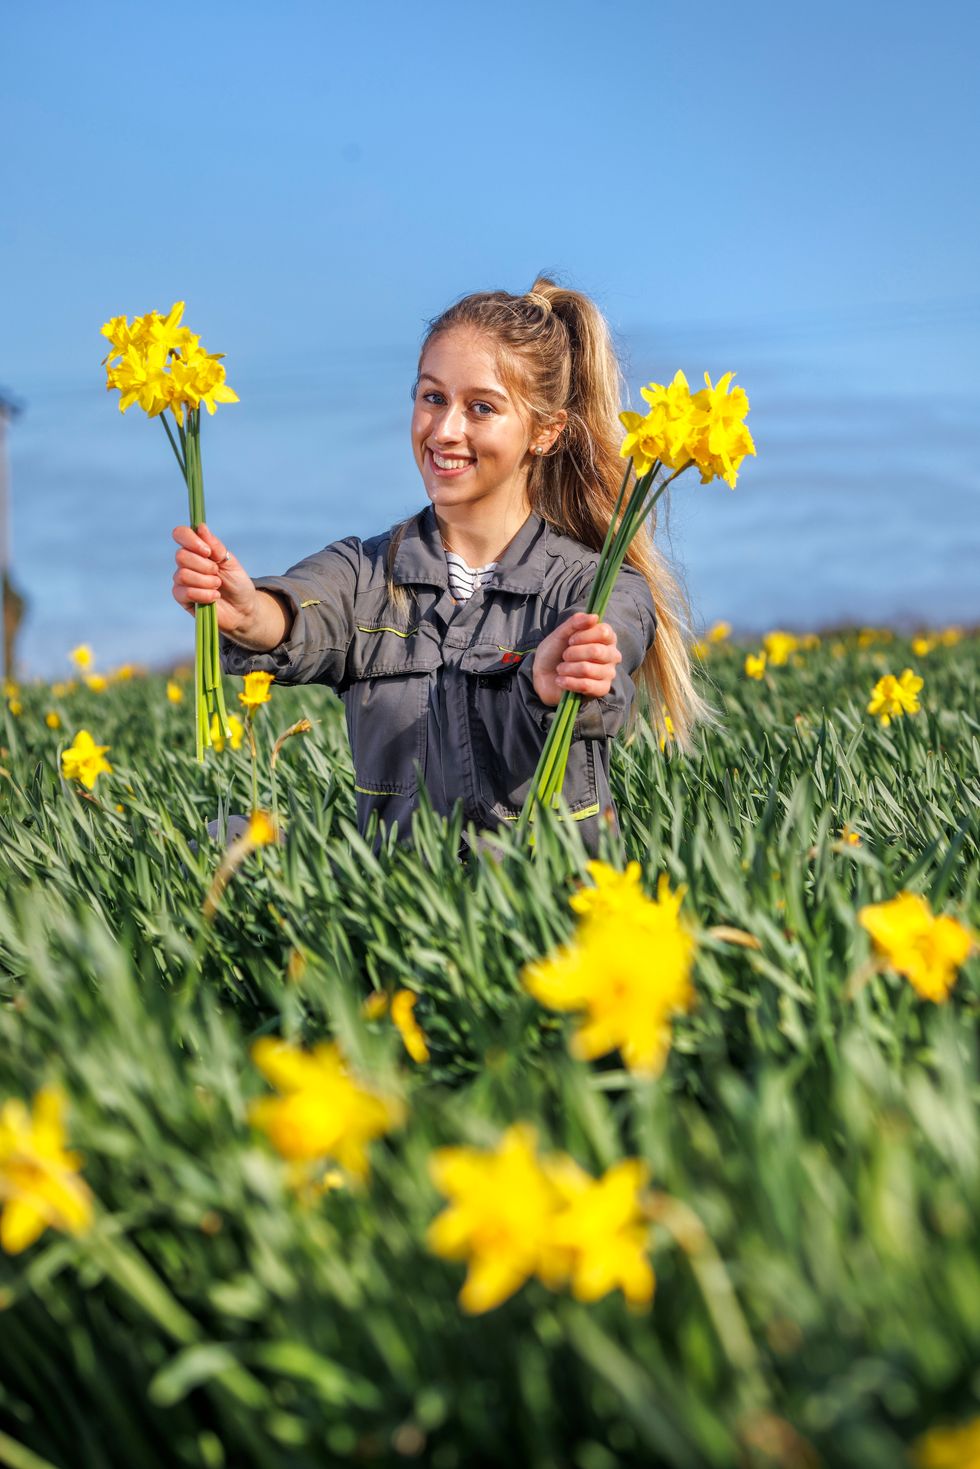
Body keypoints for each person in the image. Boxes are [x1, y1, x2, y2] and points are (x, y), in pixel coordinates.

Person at [171, 278, 706, 852]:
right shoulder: (368, 571)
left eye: (481, 407)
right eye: (432, 398)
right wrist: (249, 609)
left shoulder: (597, 589)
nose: (445, 430)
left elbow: (611, 653)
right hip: (403, 910)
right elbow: (302, 611)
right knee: (218, 839)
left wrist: (558, 684)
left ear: (545, 433)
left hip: (544, 909)